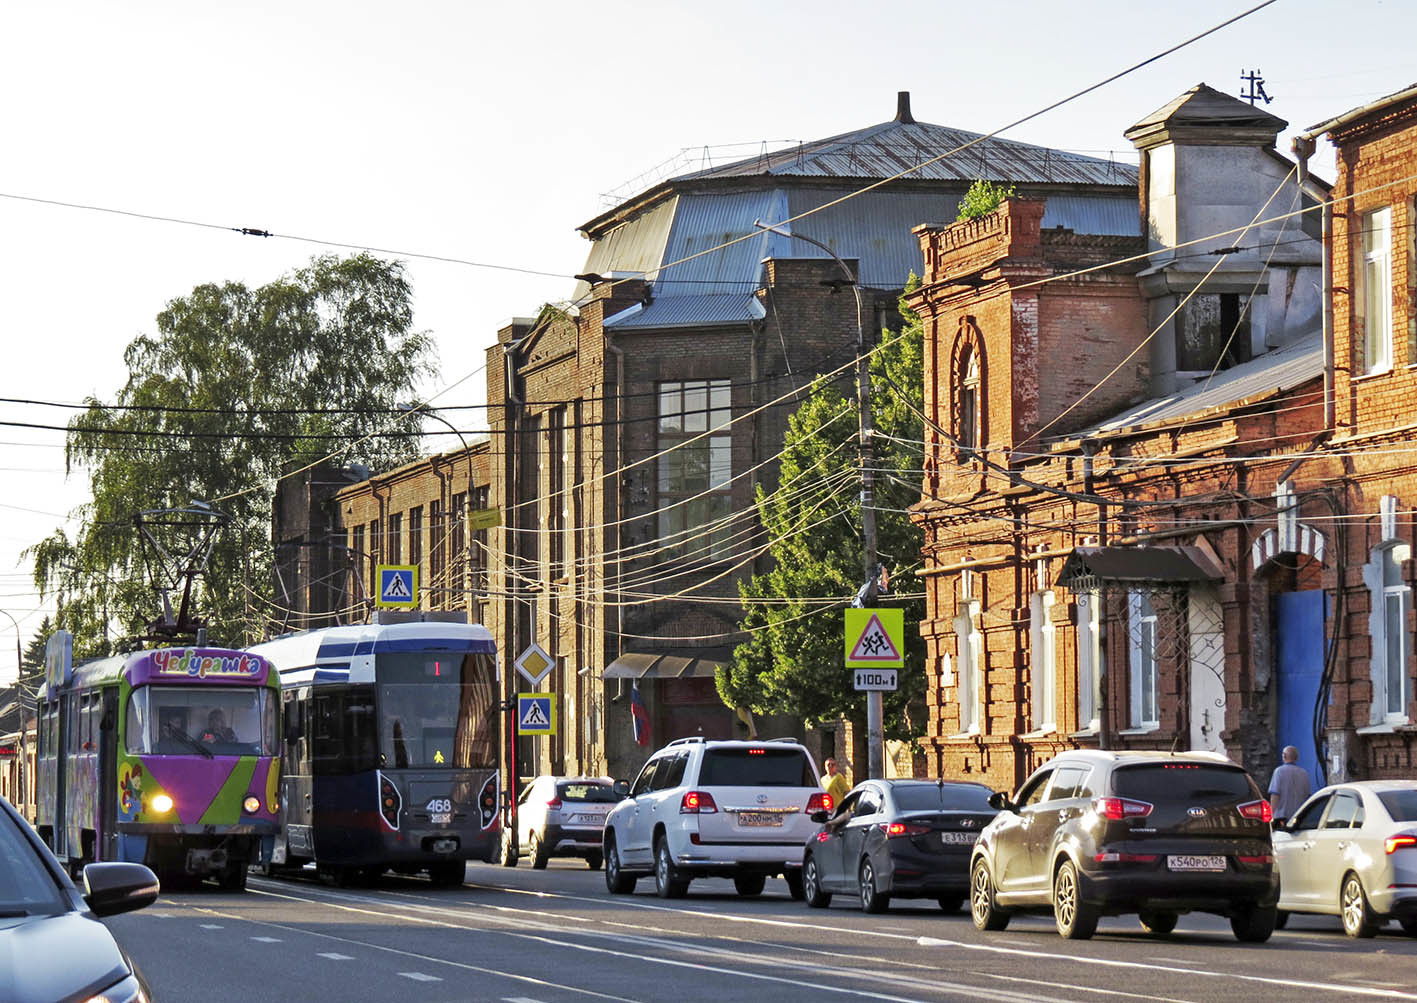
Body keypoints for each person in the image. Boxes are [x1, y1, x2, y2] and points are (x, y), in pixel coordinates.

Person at [1269, 745, 1312, 825]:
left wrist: (1272, 815)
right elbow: (1307, 796)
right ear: (1297, 758)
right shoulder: (1304, 773)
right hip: (1300, 817)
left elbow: (1275, 795)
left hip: (1282, 817)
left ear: (1284, 756)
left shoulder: (1279, 772)